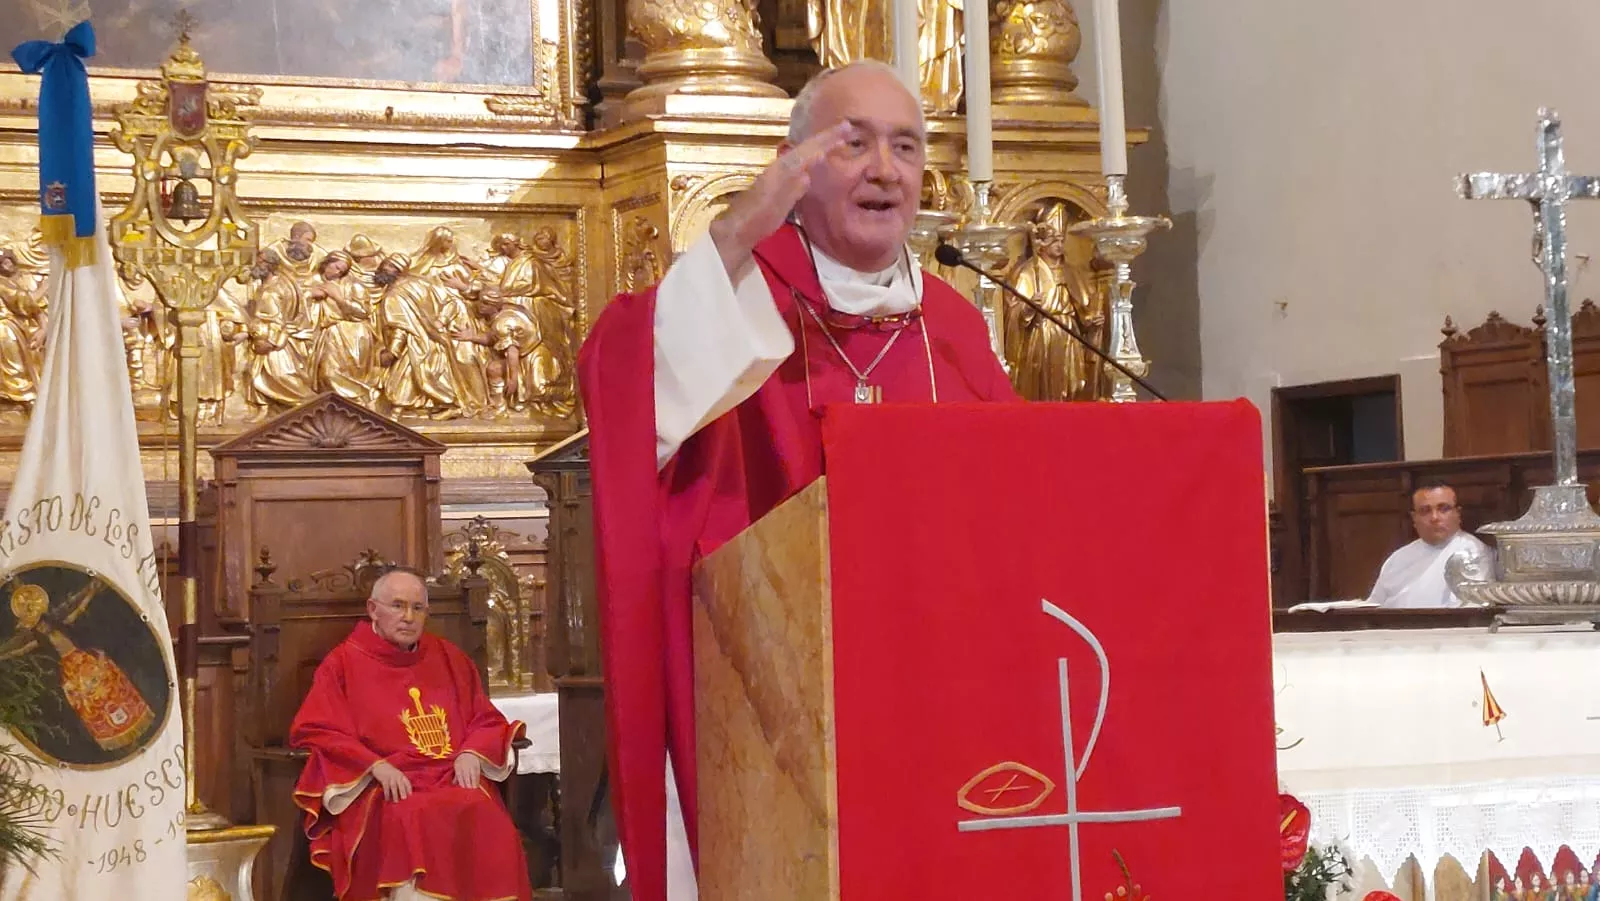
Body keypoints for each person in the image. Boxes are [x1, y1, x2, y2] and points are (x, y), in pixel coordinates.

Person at [579, 59, 1018, 901]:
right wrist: (742, 229)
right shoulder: (745, 293)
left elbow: (1016, 509)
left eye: (907, 147)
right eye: (853, 145)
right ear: (796, 165)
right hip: (764, 706)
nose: (886, 170)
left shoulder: (954, 329)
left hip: (937, 702)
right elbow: (626, 380)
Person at [289, 567, 531, 901]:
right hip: (389, 784)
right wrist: (374, 765)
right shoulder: (343, 663)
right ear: (373, 609)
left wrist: (471, 752)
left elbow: (484, 718)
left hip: (449, 775)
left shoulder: (449, 657)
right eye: (398, 606)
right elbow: (319, 728)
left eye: (417, 608)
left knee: (487, 813)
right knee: (410, 815)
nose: (408, 617)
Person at [1367, 482, 1489, 609]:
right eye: (1425, 511)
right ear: (1414, 518)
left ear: (1457, 514)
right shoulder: (1397, 558)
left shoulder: (1475, 552)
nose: (1435, 518)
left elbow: (1472, 609)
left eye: (1443, 509)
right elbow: (1374, 606)